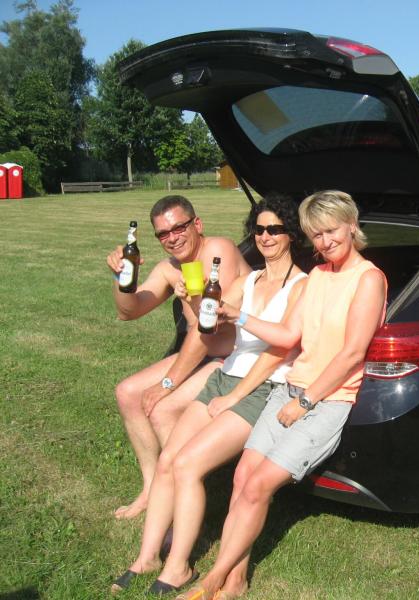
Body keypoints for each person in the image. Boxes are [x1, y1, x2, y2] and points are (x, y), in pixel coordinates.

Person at [177, 190, 387, 600]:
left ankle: (212, 579)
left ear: (351, 226)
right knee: (242, 479)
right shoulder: (319, 276)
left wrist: (305, 401)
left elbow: (351, 354)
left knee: (259, 486)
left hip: (327, 400)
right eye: (316, 234)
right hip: (289, 390)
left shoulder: (369, 279)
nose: (325, 241)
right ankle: (235, 580)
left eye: (331, 230)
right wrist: (238, 315)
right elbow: (289, 335)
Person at [111, 195, 307, 594]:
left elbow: (276, 342)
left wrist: (172, 383)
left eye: (274, 229)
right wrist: (130, 281)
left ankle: (178, 563)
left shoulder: (295, 283)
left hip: (250, 379)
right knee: (168, 455)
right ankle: (147, 555)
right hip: (225, 371)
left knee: (183, 458)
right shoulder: (246, 281)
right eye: (259, 230)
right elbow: (192, 319)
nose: (265, 237)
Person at [106, 195, 251, 519]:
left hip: (233, 357)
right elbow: (129, 311)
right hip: (204, 355)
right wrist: (121, 278)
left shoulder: (218, 251)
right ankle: (151, 487)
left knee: (163, 409)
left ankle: (178, 495)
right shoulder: (169, 269)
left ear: (197, 224)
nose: (172, 238)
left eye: (179, 228)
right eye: (163, 233)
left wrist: (167, 384)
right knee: (127, 392)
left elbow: (208, 327)